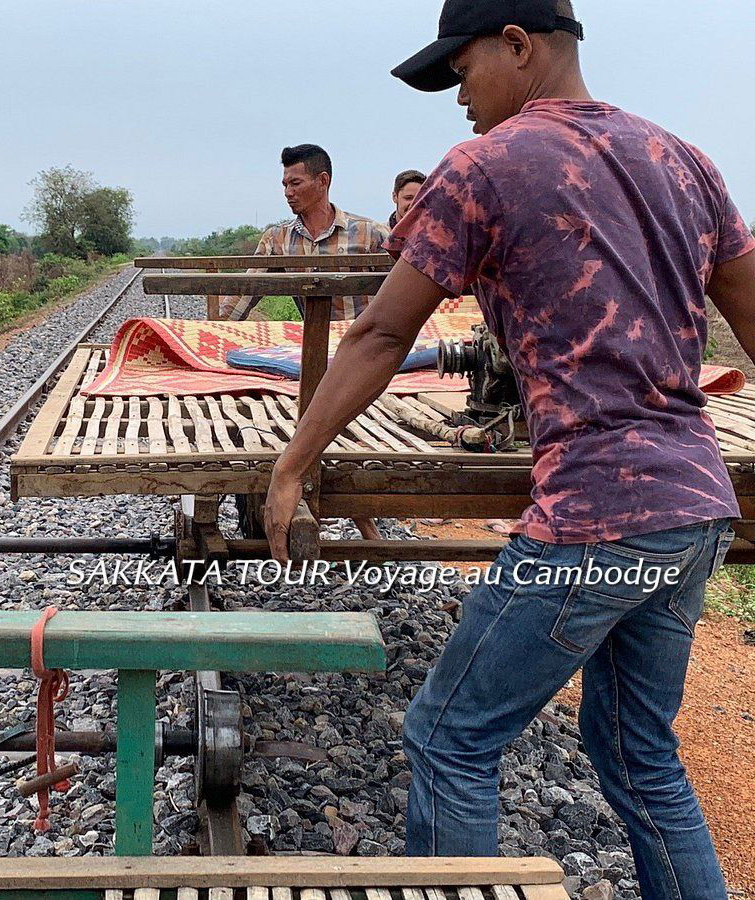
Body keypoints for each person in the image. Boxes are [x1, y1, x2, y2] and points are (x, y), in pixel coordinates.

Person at [262, 1, 754, 896]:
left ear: (520, 46)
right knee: (640, 754)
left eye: (463, 72)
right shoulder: (685, 161)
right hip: (695, 512)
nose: (458, 98)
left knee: (449, 736)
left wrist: (293, 465)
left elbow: (379, 335)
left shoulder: (483, 168)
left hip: (593, 519)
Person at [220, 144, 390, 322]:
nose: (288, 193)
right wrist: (216, 329)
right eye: (285, 185)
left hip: (363, 343)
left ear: (323, 181)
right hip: (312, 343)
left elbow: (403, 291)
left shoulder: (370, 233)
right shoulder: (278, 239)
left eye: (295, 183)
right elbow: (245, 293)